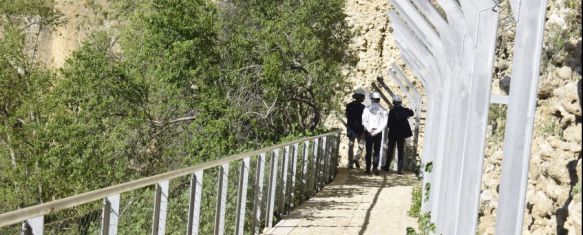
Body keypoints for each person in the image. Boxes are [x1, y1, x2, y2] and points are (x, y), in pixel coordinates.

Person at [383, 95, 414, 174]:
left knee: (390, 150)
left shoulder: (392, 111)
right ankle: (399, 170)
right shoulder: (405, 110)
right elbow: (411, 113)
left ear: (394, 102)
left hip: (393, 133)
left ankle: (387, 167)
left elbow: (389, 124)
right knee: (401, 151)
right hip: (402, 134)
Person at [362, 91, 388, 175]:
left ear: (372, 99)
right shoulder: (384, 110)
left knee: (368, 150)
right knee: (377, 150)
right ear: (379, 99)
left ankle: (367, 168)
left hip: (369, 132)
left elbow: (364, 121)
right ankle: (375, 167)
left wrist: (370, 130)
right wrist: (377, 131)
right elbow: (384, 123)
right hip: (378, 132)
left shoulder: (367, 109)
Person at [346, 88, 366, 169]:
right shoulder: (363, 107)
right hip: (360, 129)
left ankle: (350, 163)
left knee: (351, 146)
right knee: (361, 145)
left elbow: (347, 116)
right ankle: (356, 158)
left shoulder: (349, 105)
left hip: (351, 129)